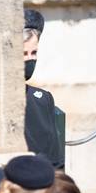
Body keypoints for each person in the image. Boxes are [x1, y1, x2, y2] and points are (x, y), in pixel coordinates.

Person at [23, 9, 66, 168]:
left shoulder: (42, 99)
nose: (29, 59)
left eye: (33, 53)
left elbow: (55, 159)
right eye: (24, 53)